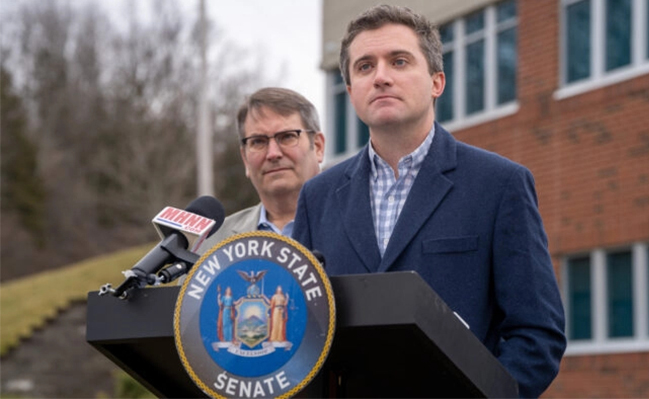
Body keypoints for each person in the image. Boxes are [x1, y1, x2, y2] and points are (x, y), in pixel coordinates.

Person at [292, 5, 566, 398]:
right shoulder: (317, 196)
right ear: (351, 92)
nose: (381, 76)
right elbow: (304, 333)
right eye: (365, 67)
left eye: (399, 61)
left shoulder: (500, 185)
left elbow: (537, 335)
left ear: (437, 81)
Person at [199, 87, 325, 251]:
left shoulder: (361, 223)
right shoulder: (211, 245)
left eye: (287, 137)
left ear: (317, 147)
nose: (273, 154)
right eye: (258, 141)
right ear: (245, 159)